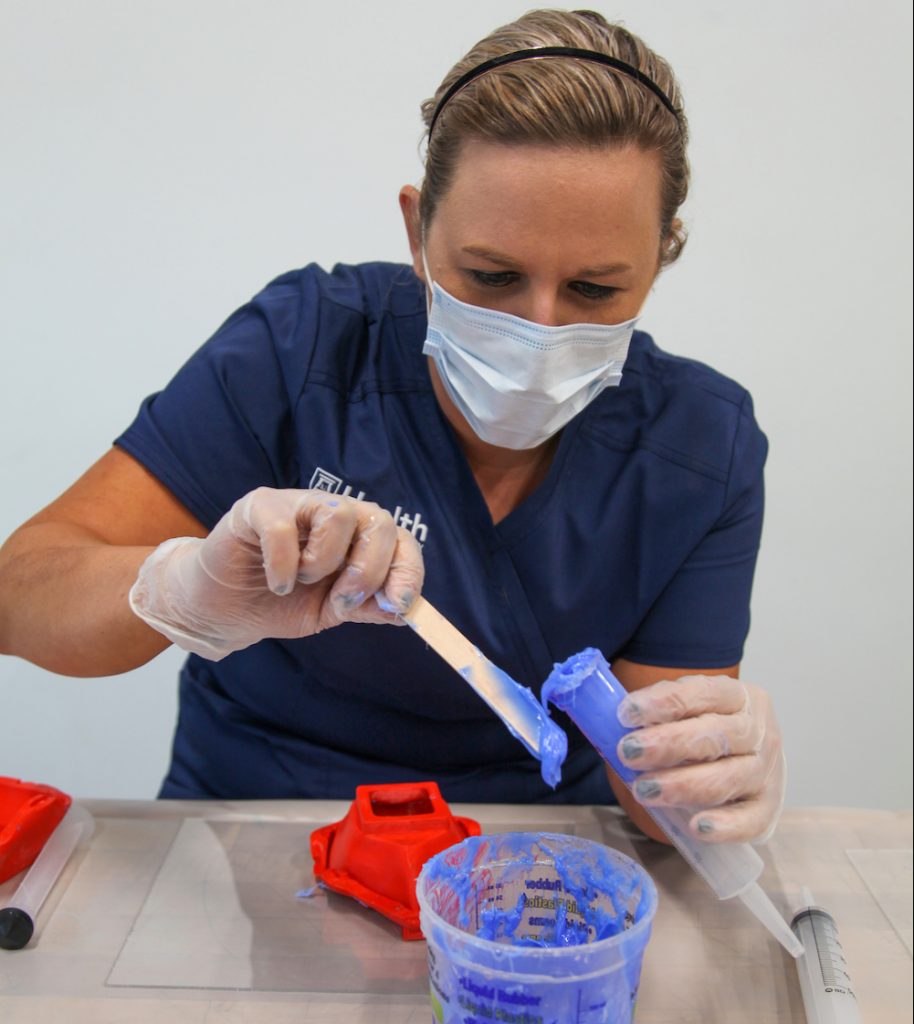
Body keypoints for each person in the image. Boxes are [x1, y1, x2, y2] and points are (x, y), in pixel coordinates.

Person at [0, 9, 785, 845]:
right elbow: (20, 593)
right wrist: (182, 591)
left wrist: (713, 774)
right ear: (417, 233)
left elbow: (662, 805)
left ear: (660, 255)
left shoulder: (699, 448)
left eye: (596, 291)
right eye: (491, 276)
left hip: (530, 868)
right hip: (253, 831)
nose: (541, 331)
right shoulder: (301, 350)